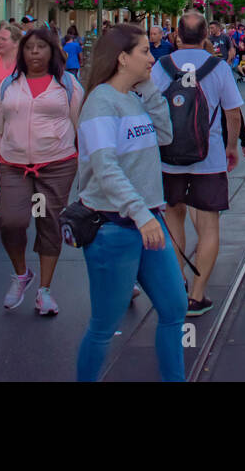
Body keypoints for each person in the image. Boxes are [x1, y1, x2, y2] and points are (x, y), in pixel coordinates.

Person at [75, 23, 186, 382]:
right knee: (104, 325)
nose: (152, 57)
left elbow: (165, 135)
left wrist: (149, 88)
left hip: (148, 221)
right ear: (123, 59)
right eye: (144, 52)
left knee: (174, 307)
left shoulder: (134, 98)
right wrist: (141, 214)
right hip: (114, 227)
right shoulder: (100, 103)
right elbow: (104, 167)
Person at [0, 27, 84, 316]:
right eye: (29, 47)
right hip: (14, 166)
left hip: (57, 164)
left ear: (52, 51)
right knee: (11, 222)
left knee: (48, 223)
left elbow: (82, 126)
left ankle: (45, 291)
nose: (35, 52)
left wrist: (90, 168)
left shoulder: (68, 85)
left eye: (41, 47)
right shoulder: (9, 86)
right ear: (22, 52)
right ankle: (21, 274)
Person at [152, 13, 244, 316]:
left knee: (173, 219)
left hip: (168, 157)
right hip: (209, 157)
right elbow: (232, 112)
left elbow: (149, 109)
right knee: (208, 227)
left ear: (176, 35)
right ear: (207, 36)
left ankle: (177, 285)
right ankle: (197, 295)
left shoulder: (161, 67)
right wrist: (231, 147)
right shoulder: (217, 67)